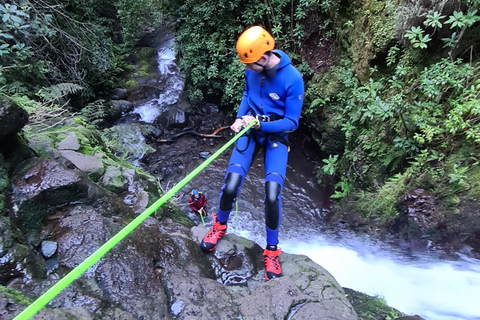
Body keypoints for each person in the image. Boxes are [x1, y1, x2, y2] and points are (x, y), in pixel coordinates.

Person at [199, 26, 304, 281]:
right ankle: (219, 225)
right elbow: (247, 94)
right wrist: (239, 119)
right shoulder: (253, 71)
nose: (246, 69)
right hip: (251, 127)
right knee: (231, 184)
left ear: (264, 57)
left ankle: (272, 251)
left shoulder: (292, 79)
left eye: (249, 64)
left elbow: (292, 122)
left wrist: (260, 125)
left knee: (271, 195)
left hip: (275, 135)